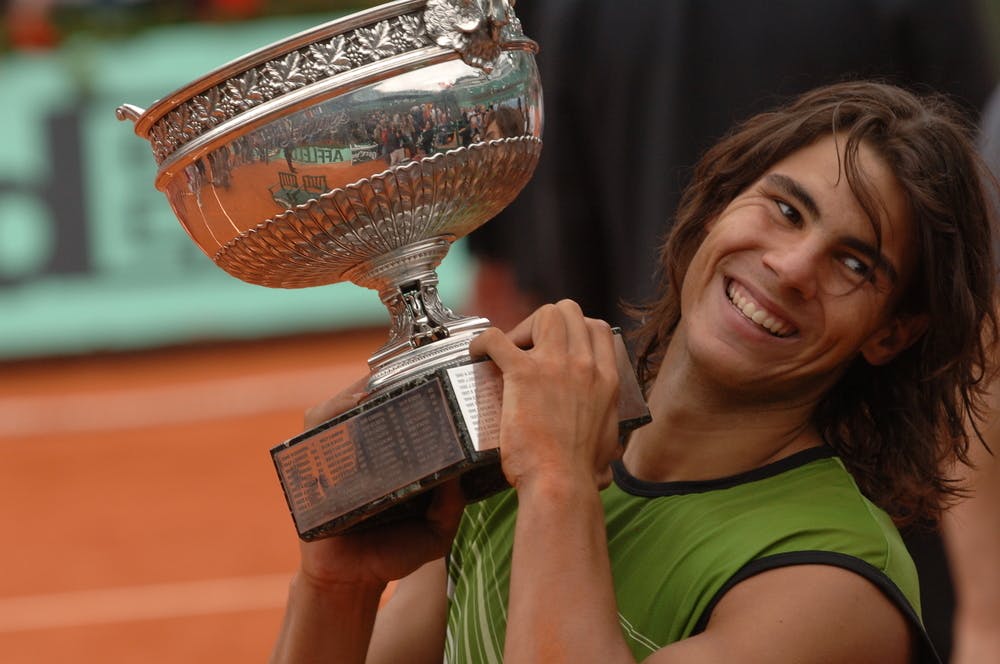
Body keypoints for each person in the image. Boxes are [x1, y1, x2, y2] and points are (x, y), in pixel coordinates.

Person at [269, 81, 998, 664]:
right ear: (719, 205)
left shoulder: (828, 584)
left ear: (892, 334)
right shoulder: (519, 452)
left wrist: (556, 478)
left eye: (853, 264)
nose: (791, 267)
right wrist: (337, 587)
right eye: (784, 209)